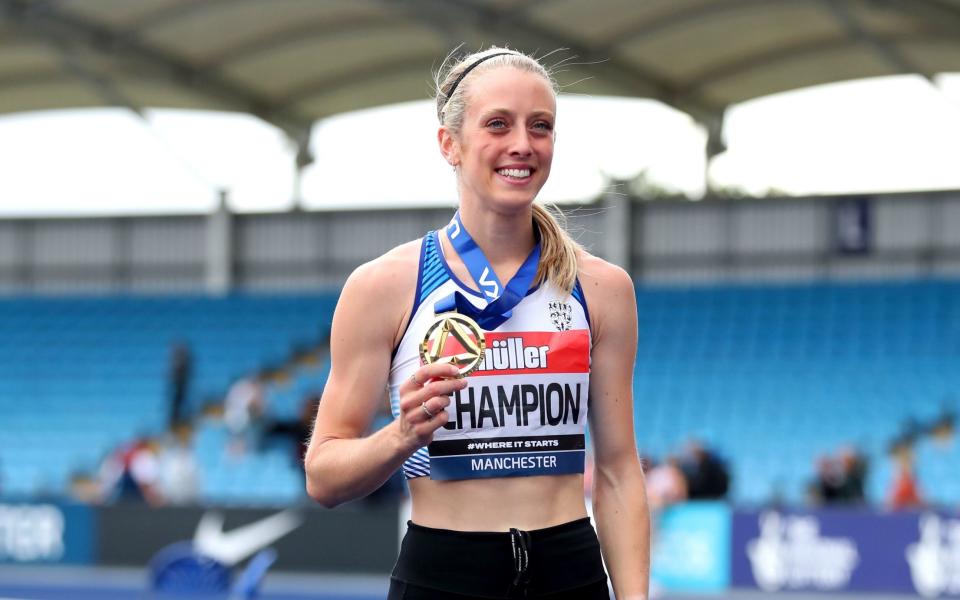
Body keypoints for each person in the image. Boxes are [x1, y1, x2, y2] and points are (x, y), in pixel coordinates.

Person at [304, 47, 649, 599]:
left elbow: (616, 471)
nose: (522, 144)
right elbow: (323, 477)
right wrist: (401, 435)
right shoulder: (384, 286)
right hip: (443, 574)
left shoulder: (603, 288)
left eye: (541, 127)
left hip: (571, 572)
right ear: (449, 143)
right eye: (498, 124)